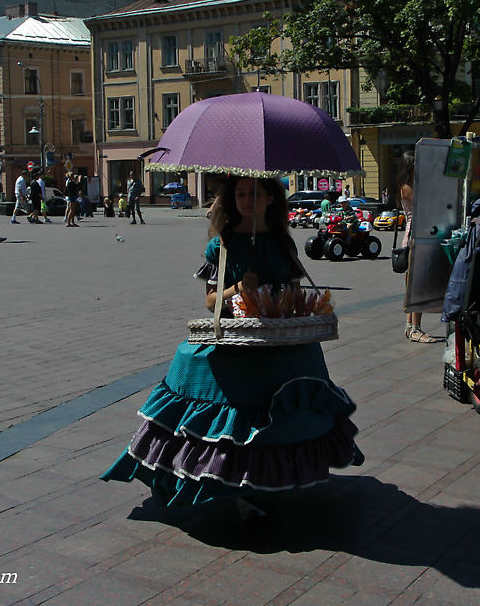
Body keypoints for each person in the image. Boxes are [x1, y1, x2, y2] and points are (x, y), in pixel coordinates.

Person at [102, 176, 364, 515]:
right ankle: (227, 481)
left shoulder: (283, 243)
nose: (247, 200)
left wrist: (283, 300)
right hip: (235, 338)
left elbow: (292, 291)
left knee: (290, 392)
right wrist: (238, 287)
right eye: (240, 193)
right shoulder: (221, 245)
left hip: (278, 338)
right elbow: (211, 302)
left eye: (255, 193)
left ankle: (273, 479)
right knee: (228, 400)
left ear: (270, 199)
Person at [398, 153, 436, 342]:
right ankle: (415, 328)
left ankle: (410, 327)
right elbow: (425, 206)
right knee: (416, 287)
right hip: (414, 239)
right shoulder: (407, 188)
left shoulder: (414, 186)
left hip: (418, 238)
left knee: (413, 287)